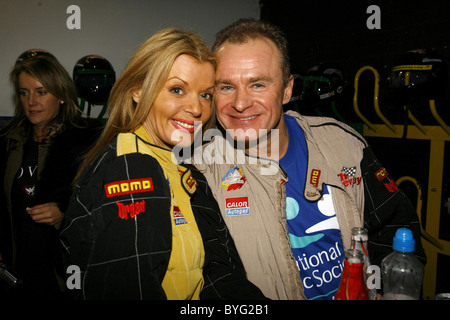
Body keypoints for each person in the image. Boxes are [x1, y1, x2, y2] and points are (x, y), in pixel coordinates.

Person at [193, 18, 426, 300]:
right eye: (226, 87)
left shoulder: (344, 144)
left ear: (287, 89)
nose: (240, 103)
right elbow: (213, 278)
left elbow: (395, 230)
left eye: (257, 85)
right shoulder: (199, 172)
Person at [59, 28, 266, 300]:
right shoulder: (130, 168)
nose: (196, 109)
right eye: (177, 89)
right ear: (138, 90)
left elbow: (219, 274)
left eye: (205, 94)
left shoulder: (183, 169)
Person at [0, 49, 103, 299]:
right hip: (15, 271)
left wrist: (64, 214)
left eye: (41, 92)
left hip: (62, 274)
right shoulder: (9, 142)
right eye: (24, 93)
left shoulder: (86, 144)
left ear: (61, 95)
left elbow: (102, 208)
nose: (31, 101)